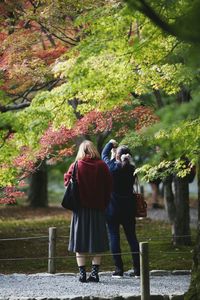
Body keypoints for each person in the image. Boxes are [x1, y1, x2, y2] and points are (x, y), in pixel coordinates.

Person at [64, 140, 112, 283]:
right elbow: (109, 187)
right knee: (98, 243)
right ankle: (95, 274)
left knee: (79, 243)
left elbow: (67, 182)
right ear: (94, 150)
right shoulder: (102, 166)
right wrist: (104, 203)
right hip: (98, 210)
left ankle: (82, 274)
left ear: (81, 151)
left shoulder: (76, 165)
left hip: (80, 211)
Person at [101, 139, 140, 278]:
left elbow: (103, 154)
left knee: (114, 237)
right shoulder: (132, 169)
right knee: (132, 238)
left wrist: (111, 144)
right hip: (129, 208)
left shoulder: (111, 167)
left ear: (117, 156)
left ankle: (119, 270)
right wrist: (116, 153)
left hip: (112, 209)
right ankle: (137, 271)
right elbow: (123, 163)